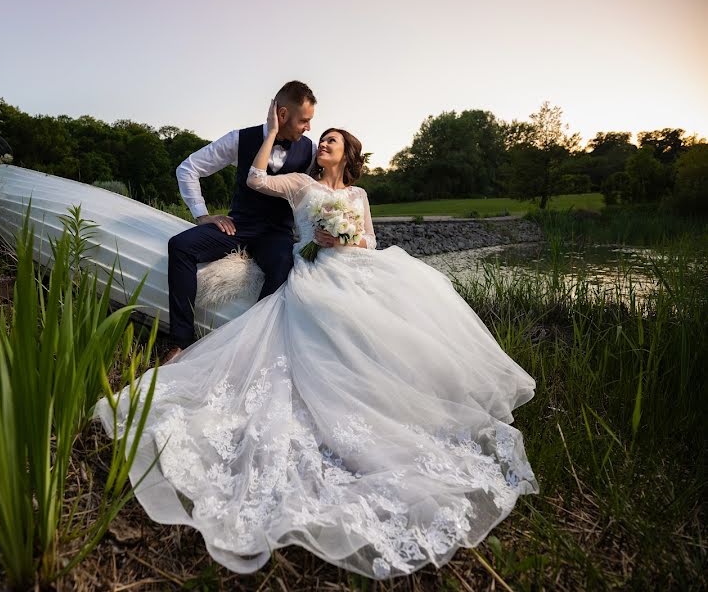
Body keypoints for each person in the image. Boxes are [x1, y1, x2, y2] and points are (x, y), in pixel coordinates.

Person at [96, 101, 538, 580]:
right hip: (315, 270)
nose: (321, 141)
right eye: (319, 136)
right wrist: (268, 134)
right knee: (324, 309)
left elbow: (368, 238)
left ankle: (399, 389)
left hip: (354, 264)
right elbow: (256, 180)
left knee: (395, 310)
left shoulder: (360, 193)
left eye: (331, 140)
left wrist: (345, 238)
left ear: (347, 154)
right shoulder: (301, 183)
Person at [165, 81, 317, 362]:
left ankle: (251, 349)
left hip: (276, 233)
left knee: (284, 266)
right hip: (238, 227)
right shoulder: (239, 139)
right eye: (304, 120)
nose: (308, 127)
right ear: (282, 115)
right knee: (180, 246)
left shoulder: (310, 151)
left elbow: (321, 192)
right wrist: (202, 214)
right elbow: (188, 168)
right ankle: (181, 343)